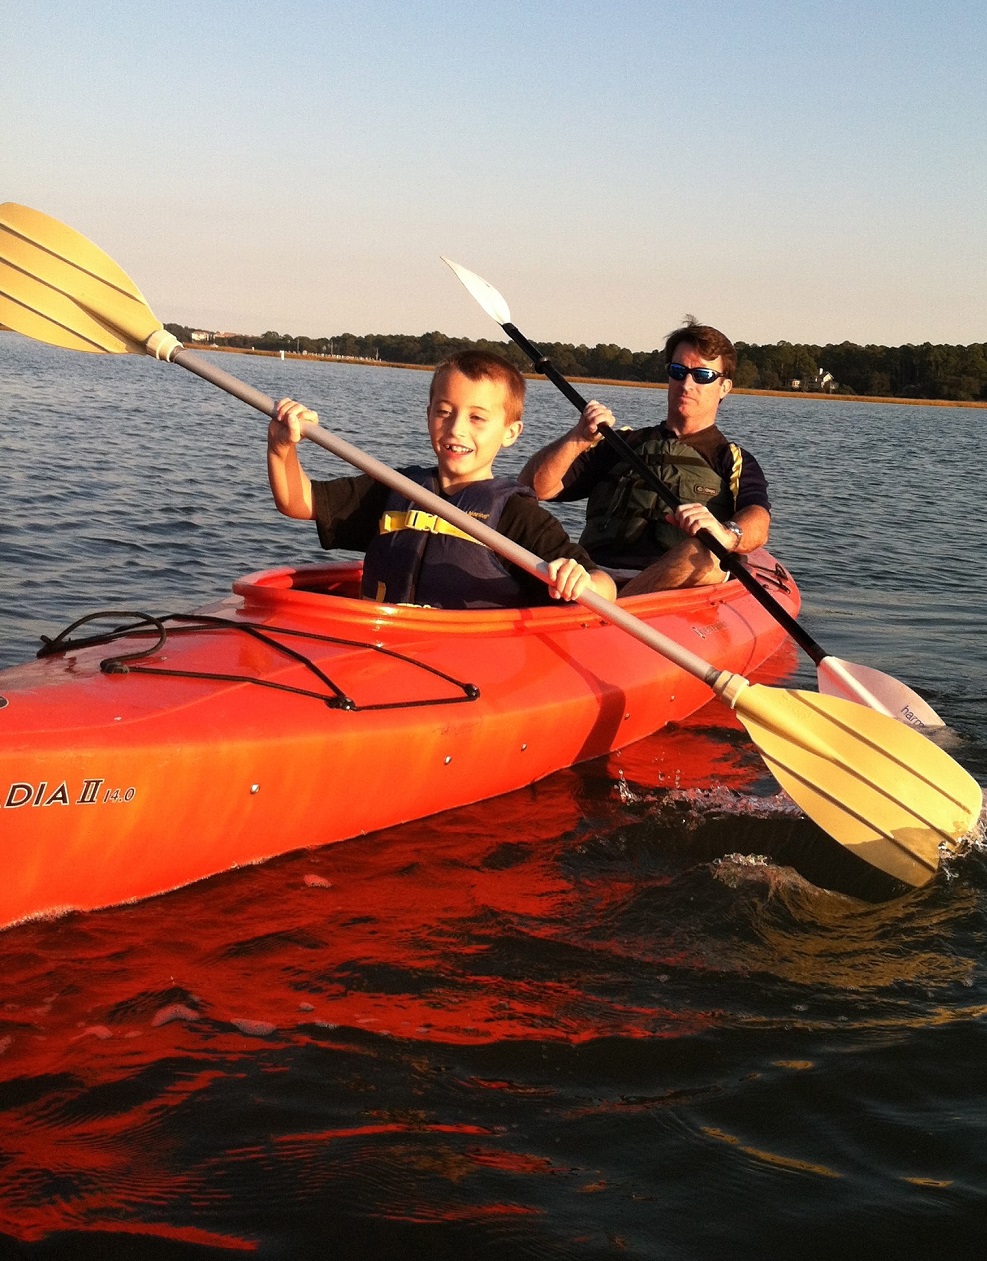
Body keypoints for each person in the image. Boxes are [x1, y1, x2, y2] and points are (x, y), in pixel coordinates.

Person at [267, 350, 617, 610]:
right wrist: (282, 447)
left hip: (462, 665)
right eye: (444, 412)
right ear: (428, 414)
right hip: (381, 647)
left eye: (477, 418)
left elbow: (604, 587)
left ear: (510, 433)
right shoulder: (395, 488)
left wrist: (580, 578)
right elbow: (299, 502)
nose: (456, 429)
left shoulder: (517, 515)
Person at [518, 318, 771, 595]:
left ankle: (615, 609)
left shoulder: (731, 457)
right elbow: (535, 487)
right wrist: (578, 437)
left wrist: (727, 534)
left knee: (703, 556)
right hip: (594, 573)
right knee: (518, 513)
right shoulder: (622, 442)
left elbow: (757, 519)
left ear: (724, 387)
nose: (686, 384)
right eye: (678, 371)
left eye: (702, 375)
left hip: (668, 580)